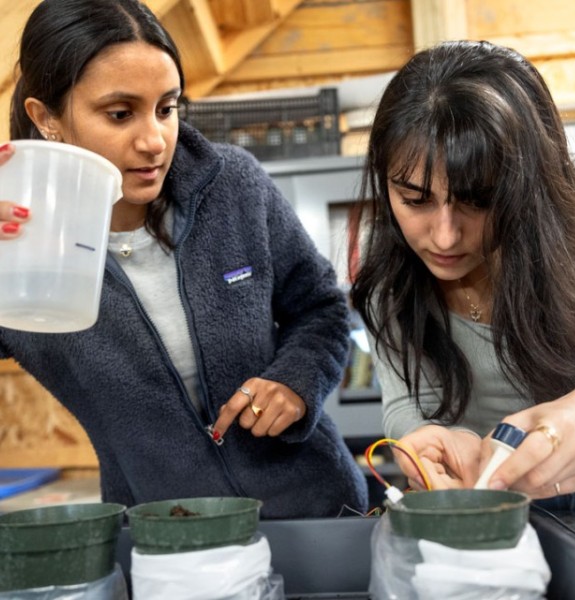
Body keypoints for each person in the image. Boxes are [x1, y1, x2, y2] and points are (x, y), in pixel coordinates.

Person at [0, 0, 368, 519]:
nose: (154, 140)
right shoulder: (18, 245)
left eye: (167, 108)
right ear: (47, 118)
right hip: (165, 537)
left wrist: (296, 381)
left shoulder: (235, 186)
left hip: (316, 512)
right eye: (120, 113)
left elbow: (323, 309)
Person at [350, 40, 575, 511]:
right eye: (415, 200)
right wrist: (434, 437)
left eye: (478, 200)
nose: (444, 237)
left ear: (531, 179)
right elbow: (409, 404)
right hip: (499, 505)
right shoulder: (388, 270)